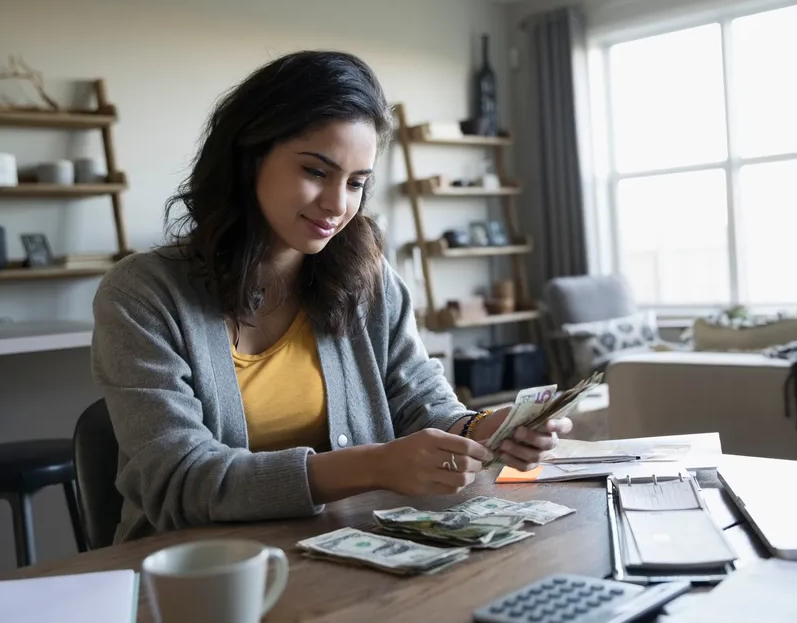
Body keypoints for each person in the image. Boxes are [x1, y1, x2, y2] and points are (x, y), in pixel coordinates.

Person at [92, 50, 572, 543]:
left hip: (349, 552)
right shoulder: (141, 295)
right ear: (247, 157)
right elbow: (181, 481)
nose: (337, 205)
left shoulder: (369, 279)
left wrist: (482, 430)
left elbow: (422, 405)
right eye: (316, 172)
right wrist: (372, 466)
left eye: (357, 183)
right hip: (197, 571)